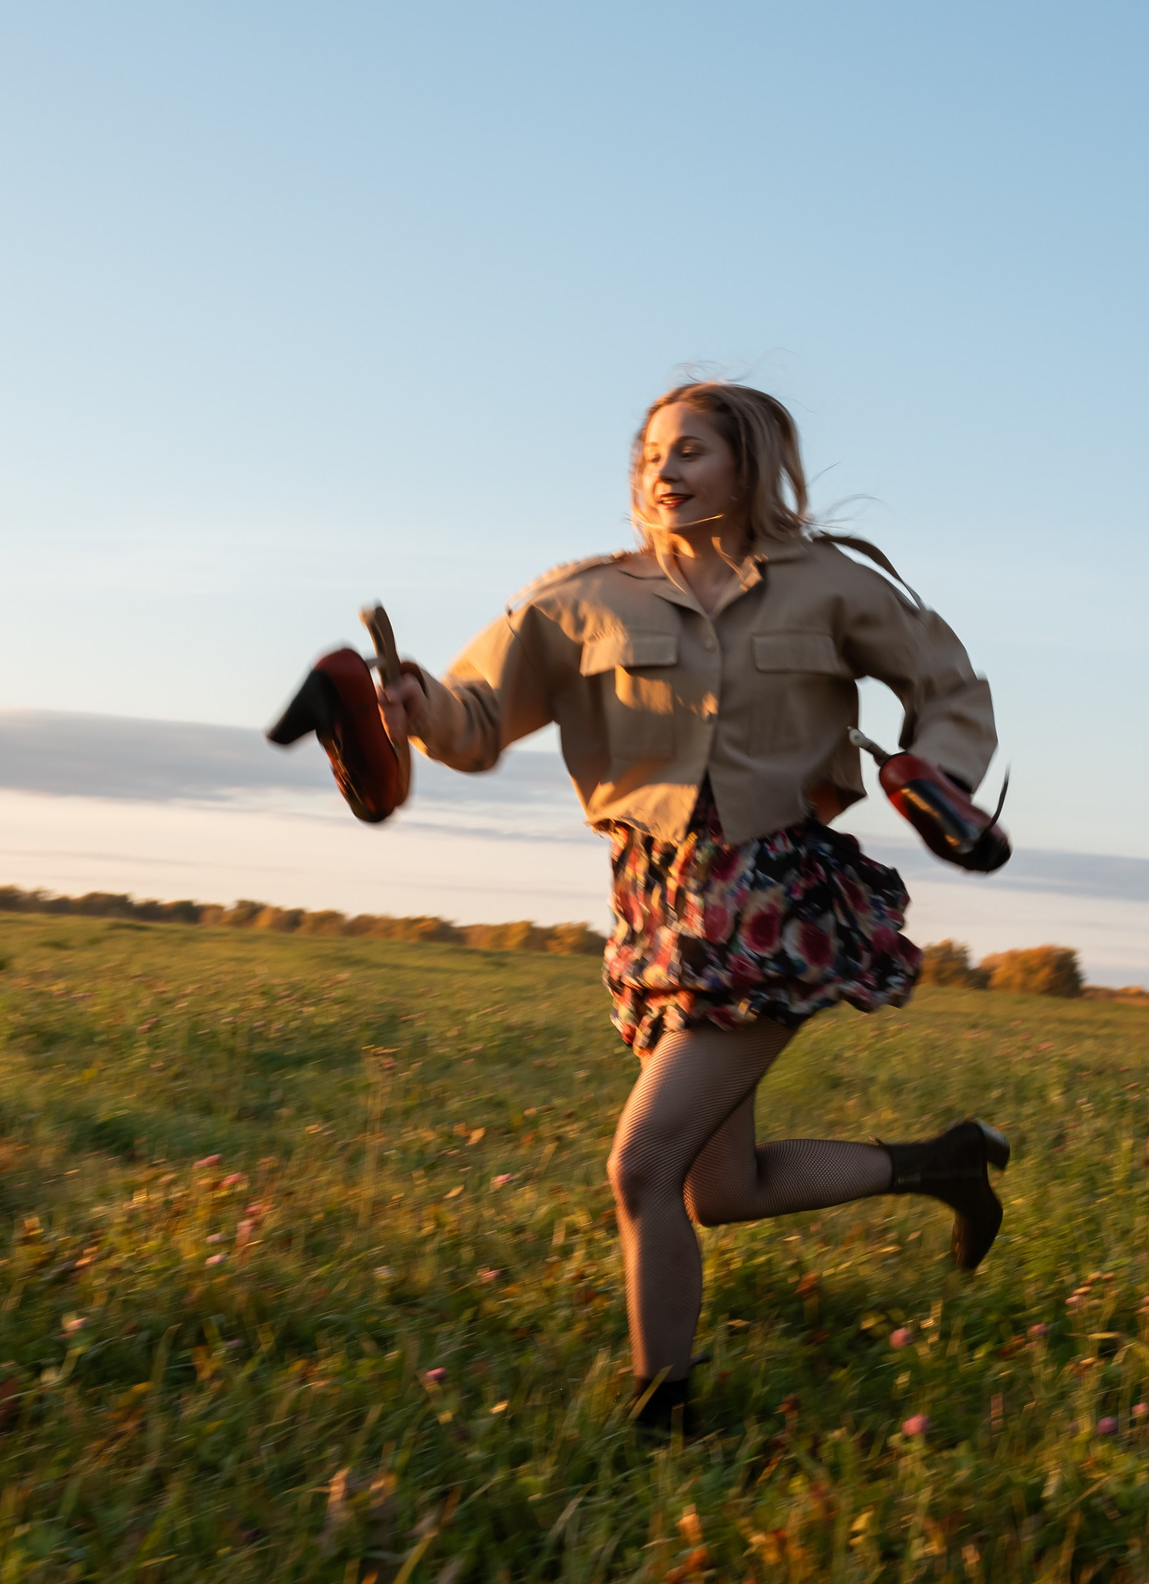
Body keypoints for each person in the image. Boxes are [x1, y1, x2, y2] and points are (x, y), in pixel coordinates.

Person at [377, 381, 1011, 1438]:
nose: (661, 472)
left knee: (641, 1163)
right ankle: (944, 1163)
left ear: (748, 464)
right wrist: (413, 706)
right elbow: (477, 715)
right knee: (716, 1188)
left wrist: (938, 777)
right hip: (655, 899)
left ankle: (663, 1419)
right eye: (649, 457)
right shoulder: (579, 598)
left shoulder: (830, 586)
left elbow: (948, 685)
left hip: (777, 896)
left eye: (689, 452)